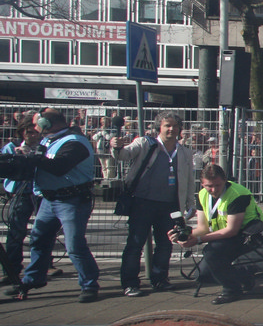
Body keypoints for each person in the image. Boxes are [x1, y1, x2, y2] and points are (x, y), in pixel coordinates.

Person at [3, 108, 102, 303]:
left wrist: (33, 157)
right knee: (39, 239)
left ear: (46, 124)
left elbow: (59, 167)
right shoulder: (50, 141)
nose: (34, 128)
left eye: (36, 124)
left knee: (74, 246)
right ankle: (33, 278)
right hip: (50, 199)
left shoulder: (75, 142)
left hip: (71, 200)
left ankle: (89, 284)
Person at [111, 111, 197, 297]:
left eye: (175, 126)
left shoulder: (184, 152)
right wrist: (116, 146)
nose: (171, 129)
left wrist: (190, 203)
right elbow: (123, 155)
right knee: (135, 243)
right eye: (167, 126)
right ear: (160, 127)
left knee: (165, 244)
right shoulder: (145, 144)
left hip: (170, 205)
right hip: (143, 203)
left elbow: (189, 179)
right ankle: (130, 283)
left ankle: (160, 279)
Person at [171, 163, 263, 305]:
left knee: (211, 253)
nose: (214, 190)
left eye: (218, 185)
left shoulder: (237, 194)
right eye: (209, 186)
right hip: (224, 235)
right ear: (202, 184)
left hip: (250, 234)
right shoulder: (202, 195)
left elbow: (232, 230)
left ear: (225, 181)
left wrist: (198, 240)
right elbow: (203, 228)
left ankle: (231, 290)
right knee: (202, 275)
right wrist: (185, 236)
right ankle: (244, 274)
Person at [2, 116, 41, 281]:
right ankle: (12, 269)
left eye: (36, 132)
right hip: (20, 192)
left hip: (40, 192)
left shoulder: (44, 146)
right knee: (16, 232)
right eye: (29, 132)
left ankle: (44, 266)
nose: (33, 136)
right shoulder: (12, 147)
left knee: (43, 231)